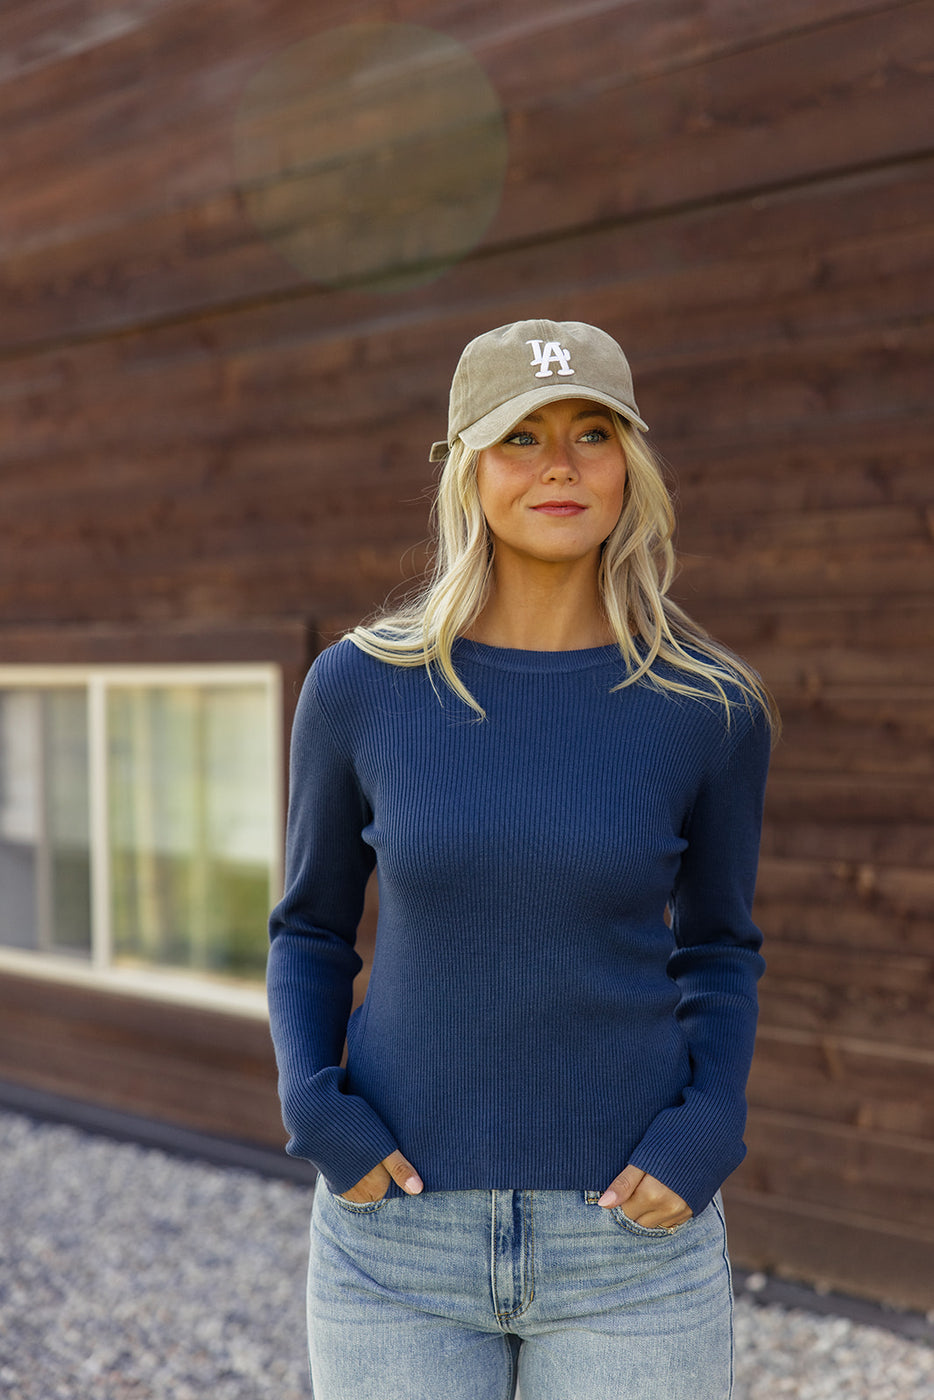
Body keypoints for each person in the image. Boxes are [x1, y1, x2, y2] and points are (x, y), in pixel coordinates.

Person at [267, 318, 779, 1400]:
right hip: (395, 1242)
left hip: (631, 1243)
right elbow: (310, 927)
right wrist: (316, 1108)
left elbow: (721, 947)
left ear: (629, 464)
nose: (559, 462)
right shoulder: (360, 686)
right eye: (520, 436)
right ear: (467, 469)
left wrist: (710, 1124)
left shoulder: (709, 706)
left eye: (591, 431)